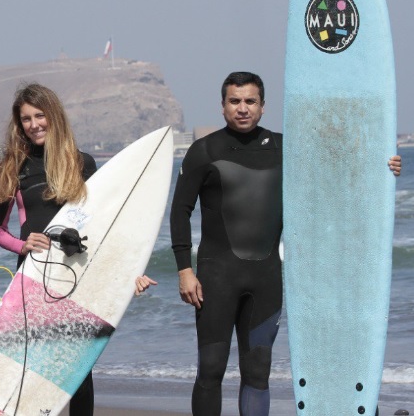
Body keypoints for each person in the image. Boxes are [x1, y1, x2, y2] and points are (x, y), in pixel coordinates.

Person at [170, 71, 401, 416]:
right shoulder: (205, 151)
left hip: (265, 278)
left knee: (258, 374)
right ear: (222, 107)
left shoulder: (285, 147)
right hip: (217, 277)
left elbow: (335, 171)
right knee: (211, 369)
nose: (243, 108)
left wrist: (384, 166)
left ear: (263, 107)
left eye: (250, 101)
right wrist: (185, 270)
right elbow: (179, 212)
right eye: (235, 101)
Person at [0, 83, 156, 416]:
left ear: (54, 116)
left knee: (79, 368)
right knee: (32, 364)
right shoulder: (13, 167)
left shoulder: (82, 163)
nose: (34, 124)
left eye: (40, 115)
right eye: (26, 119)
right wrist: (22, 244)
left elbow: (104, 228)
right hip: (32, 277)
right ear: (18, 124)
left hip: (77, 275)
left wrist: (130, 271)